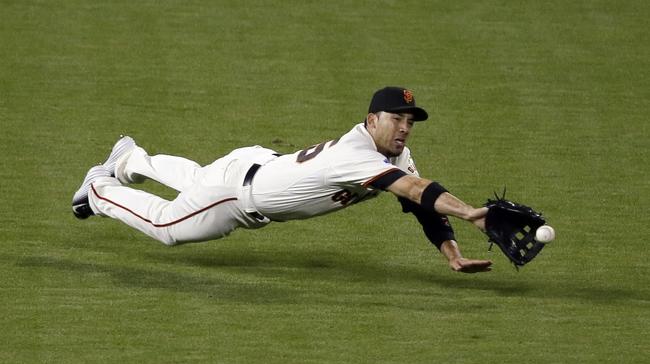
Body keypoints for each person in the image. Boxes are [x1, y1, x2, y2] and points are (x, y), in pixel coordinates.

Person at [72, 87, 493, 273]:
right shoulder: (355, 156)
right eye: (396, 119)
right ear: (372, 120)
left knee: (196, 178)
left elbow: (418, 204)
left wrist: (451, 253)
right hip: (235, 198)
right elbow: (418, 190)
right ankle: (98, 189)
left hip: (256, 164)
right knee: (166, 227)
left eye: (410, 121)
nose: (404, 128)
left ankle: (130, 158)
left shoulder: (394, 155)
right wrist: (472, 213)